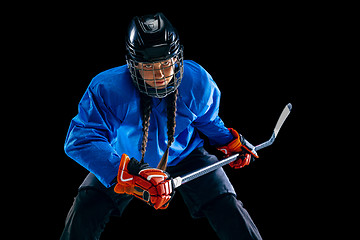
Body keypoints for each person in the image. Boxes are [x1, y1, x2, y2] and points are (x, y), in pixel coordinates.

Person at [61, 12, 262, 240]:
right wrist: (131, 172)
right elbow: (81, 138)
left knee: (227, 204)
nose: (159, 75)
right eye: (148, 66)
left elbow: (207, 120)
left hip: (186, 155)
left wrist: (228, 141)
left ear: (177, 59)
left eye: (166, 64)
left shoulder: (197, 81)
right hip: (124, 160)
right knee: (85, 207)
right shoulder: (108, 89)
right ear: (133, 65)